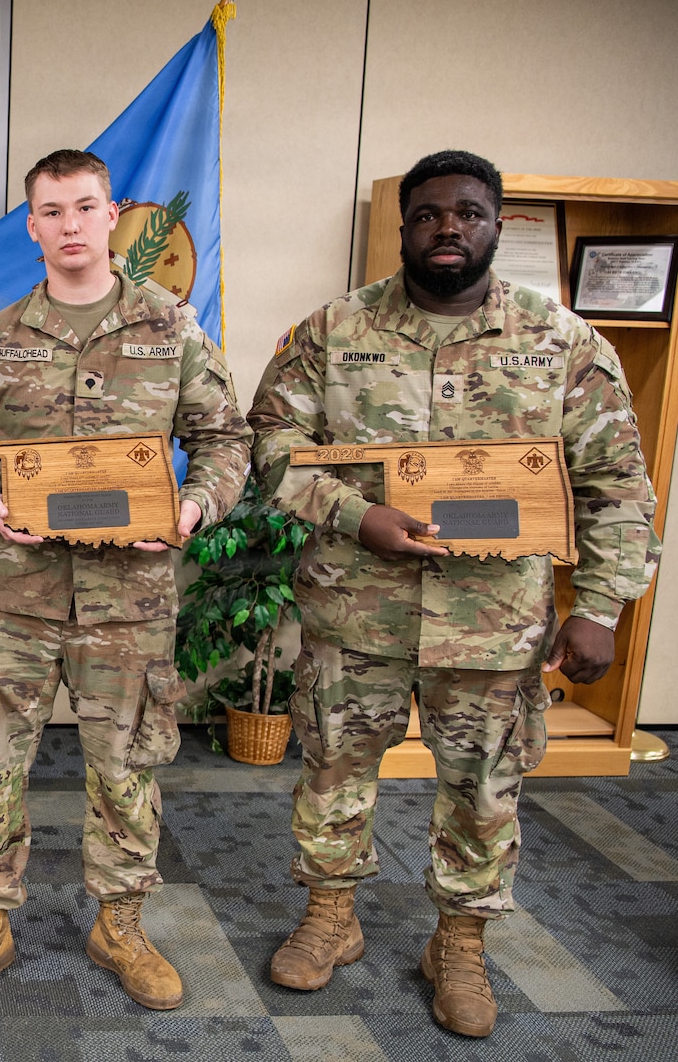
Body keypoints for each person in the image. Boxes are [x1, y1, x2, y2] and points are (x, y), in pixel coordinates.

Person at [247, 149, 660, 1038]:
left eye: (468, 214)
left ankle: (460, 944)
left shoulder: (563, 344)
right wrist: (354, 514)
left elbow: (616, 482)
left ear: (495, 225)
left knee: (483, 788)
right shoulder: (332, 331)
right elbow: (271, 445)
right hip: (357, 610)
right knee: (332, 770)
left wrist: (599, 606)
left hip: (493, 622)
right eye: (430, 214)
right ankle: (331, 916)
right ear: (405, 227)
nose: (448, 229)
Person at [0, 150, 251, 1011]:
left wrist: (192, 512)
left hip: (129, 599)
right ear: (30, 227)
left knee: (126, 767)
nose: (70, 224)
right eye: (52, 211)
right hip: (13, 600)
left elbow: (227, 444)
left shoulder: (173, 331)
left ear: (114, 217)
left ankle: (121, 923)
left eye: (84, 207)